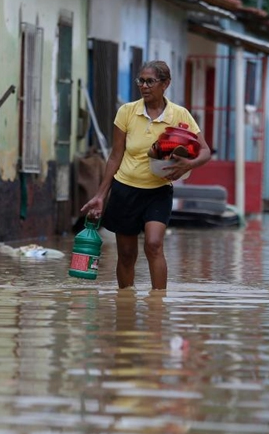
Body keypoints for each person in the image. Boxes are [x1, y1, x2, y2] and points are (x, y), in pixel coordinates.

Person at [80, 60, 210, 290]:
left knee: (153, 244)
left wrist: (188, 164)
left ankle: (157, 306)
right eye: (141, 81)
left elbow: (206, 151)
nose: (144, 86)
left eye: (150, 81)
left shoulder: (180, 115)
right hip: (125, 189)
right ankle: (126, 304)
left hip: (158, 191)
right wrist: (101, 195)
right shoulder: (127, 112)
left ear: (166, 83)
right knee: (127, 254)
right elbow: (115, 156)